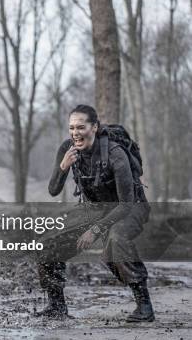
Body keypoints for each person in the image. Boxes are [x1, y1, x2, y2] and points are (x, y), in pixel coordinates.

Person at [36, 104, 154, 322]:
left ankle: (144, 306)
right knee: (47, 242)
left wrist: (96, 229)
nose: (75, 133)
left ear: (94, 127)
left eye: (81, 127)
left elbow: (126, 204)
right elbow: (53, 190)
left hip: (130, 208)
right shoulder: (67, 149)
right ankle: (57, 306)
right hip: (95, 209)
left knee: (116, 239)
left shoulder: (115, 154)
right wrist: (63, 167)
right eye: (72, 128)